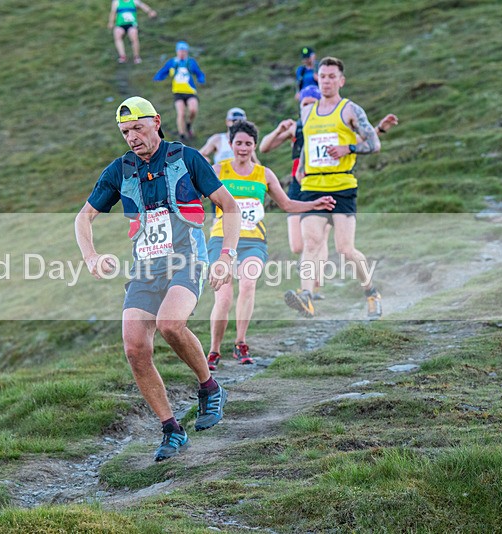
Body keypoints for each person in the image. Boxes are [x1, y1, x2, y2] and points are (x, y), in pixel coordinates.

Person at [75, 96, 241, 462]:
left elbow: (229, 206)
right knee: (134, 347)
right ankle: (172, 429)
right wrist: (90, 254)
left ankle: (210, 388)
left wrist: (226, 256)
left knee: (170, 323)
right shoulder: (120, 171)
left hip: (187, 259)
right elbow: (83, 217)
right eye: (124, 132)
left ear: (156, 122)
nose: (131, 137)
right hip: (145, 269)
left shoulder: (186, 158)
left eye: (137, 128)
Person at [206, 120, 335, 370]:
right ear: (230, 144)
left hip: (254, 240)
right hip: (221, 239)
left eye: (248, 144)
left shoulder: (264, 174)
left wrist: (314, 204)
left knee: (248, 284)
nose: (243, 148)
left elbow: (286, 204)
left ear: (254, 145)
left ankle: (240, 343)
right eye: (238, 143)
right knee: (223, 298)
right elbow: (195, 196)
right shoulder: (218, 170)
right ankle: (214, 350)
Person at [261, 86, 398, 300]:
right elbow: (267, 148)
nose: (306, 108)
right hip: (306, 186)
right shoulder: (298, 127)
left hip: (339, 186)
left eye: (310, 103)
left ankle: (356, 289)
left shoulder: (334, 122)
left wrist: (379, 128)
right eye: (303, 104)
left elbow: (361, 140)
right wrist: (296, 160)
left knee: (339, 247)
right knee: (303, 243)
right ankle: (307, 291)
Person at [282, 56, 384, 320]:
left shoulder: (351, 110)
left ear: (341, 80)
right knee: (311, 242)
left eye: (331, 76)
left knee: (345, 249)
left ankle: (371, 292)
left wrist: (347, 148)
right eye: (322, 76)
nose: (326, 80)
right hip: (313, 186)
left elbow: (374, 144)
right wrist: (302, 167)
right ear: (317, 78)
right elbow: (307, 142)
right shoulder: (308, 111)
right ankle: (306, 297)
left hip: (342, 185)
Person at [153, 41, 205, 142]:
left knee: (193, 110)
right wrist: (158, 77)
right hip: (178, 93)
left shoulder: (190, 62)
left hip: (190, 91)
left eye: (184, 51)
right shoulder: (172, 62)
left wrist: (201, 79)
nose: (182, 53)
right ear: (177, 52)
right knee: (181, 113)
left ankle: (189, 124)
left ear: (187, 52)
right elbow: (164, 71)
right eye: (180, 51)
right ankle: (182, 134)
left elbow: (199, 73)